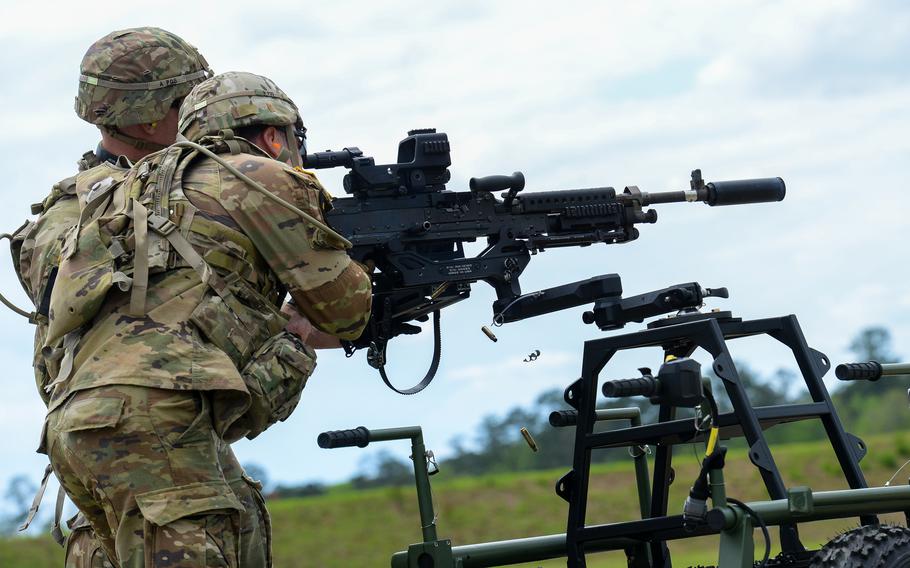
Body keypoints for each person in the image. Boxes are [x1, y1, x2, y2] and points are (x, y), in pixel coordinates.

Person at [40, 70, 372, 567]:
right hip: (154, 422)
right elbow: (346, 313)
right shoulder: (252, 175)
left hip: (76, 421)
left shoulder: (132, 191)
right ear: (273, 137)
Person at [11, 27, 212, 568]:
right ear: (149, 119)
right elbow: (69, 291)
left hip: (162, 475)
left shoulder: (187, 192)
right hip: (137, 490)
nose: (207, 116)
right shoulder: (77, 213)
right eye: (190, 102)